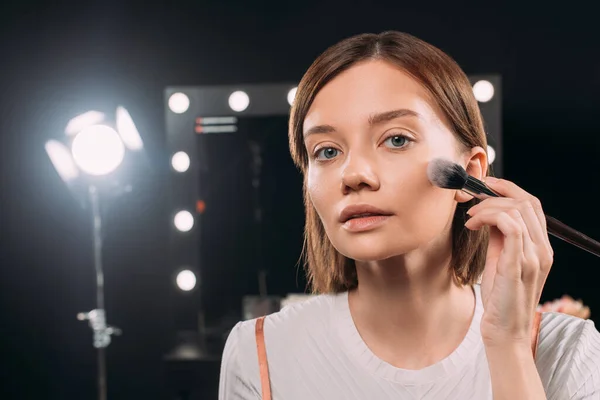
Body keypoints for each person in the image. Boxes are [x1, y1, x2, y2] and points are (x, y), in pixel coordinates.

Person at [218, 31, 600, 399]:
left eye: (397, 139)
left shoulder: (570, 351)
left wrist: (509, 345)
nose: (354, 175)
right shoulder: (260, 354)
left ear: (472, 173)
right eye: (327, 151)